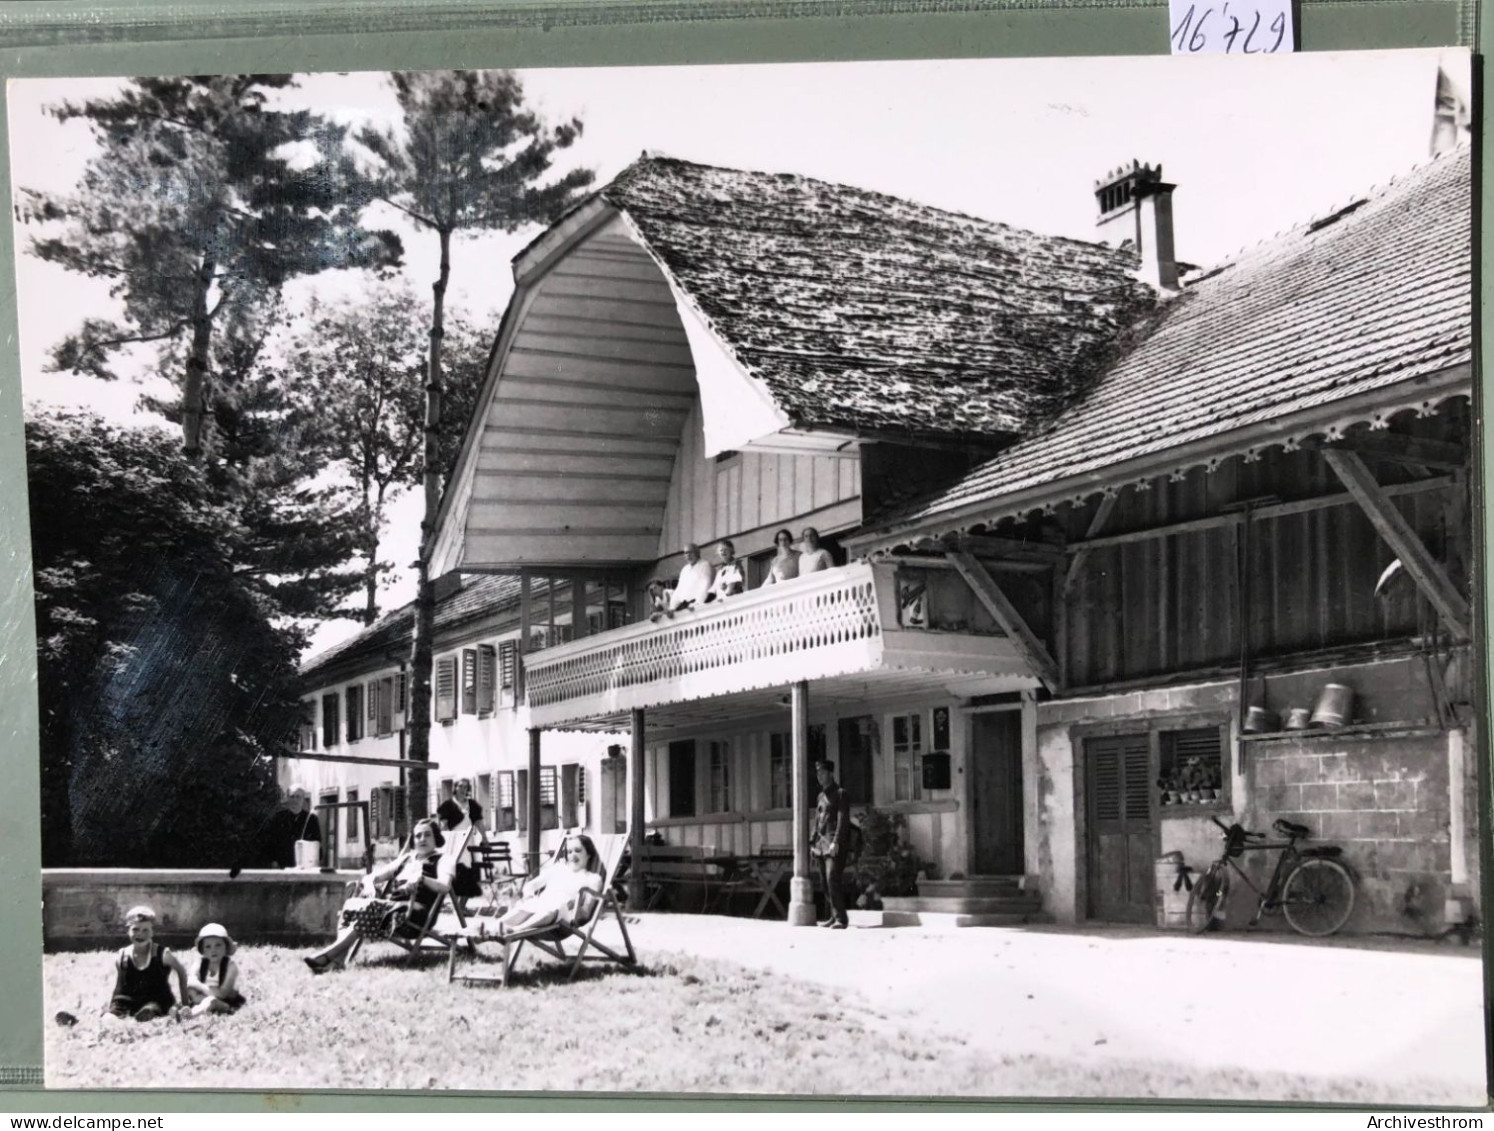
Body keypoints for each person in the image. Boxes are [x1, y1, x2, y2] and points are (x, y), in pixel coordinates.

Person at [303, 818, 456, 973]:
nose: (422, 839)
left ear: (436, 837)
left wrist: (423, 879)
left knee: (370, 906)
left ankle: (328, 955)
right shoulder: (407, 859)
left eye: (427, 835)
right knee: (351, 904)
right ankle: (338, 959)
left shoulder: (444, 859)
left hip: (415, 915)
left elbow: (445, 886)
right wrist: (370, 886)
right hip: (391, 910)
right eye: (418, 836)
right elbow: (373, 876)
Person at [493, 833, 603, 934]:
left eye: (578, 850)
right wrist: (530, 896)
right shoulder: (558, 868)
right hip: (542, 904)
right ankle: (491, 928)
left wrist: (575, 907)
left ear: (588, 854)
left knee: (556, 907)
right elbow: (530, 886)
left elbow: (586, 913)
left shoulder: (593, 879)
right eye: (569, 852)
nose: (573, 855)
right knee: (528, 906)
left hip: (563, 916)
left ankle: (516, 930)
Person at [105, 906, 190, 1022]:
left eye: (146, 930)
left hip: (155, 1000)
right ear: (128, 931)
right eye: (135, 929)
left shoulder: (162, 954)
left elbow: (181, 971)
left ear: (152, 932)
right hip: (128, 1001)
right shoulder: (122, 956)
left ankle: (147, 1014)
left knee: (152, 1009)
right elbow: (119, 988)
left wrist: (185, 1003)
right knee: (109, 1018)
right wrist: (113, 1008)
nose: (140, 934)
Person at [811, 760, 852, 929]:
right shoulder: (821, 796)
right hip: (821, 845)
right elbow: (817, 821)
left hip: (834, 845)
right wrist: (812, 842)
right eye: (818, 773)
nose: (819, 776)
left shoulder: (841, 794)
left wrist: (835, 842)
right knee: (824, 882)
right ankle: (833, 916)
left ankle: (841, 919)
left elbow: (843, 821)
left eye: (822, 773)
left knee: (832, 878)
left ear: (831, 774)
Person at [436, 779, 487, 906]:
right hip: (454, 842)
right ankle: (450, 904)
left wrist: (485, 838)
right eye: (460, 786)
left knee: (470, 874)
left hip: (469, 842)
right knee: (456, 872)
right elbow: (443, 826)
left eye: (465, 787)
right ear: (455, 788)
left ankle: (462, 905)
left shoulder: (472, 805)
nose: (463, 789)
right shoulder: (448, 805)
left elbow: (478, 823)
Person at [183, 923, 247, 1017]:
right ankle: (180, 1010)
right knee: (189, 993)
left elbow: (222, 994)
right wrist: (195, 993)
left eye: (218, 945)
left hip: (225, 1001)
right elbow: (190, 981)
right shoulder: (199, 963)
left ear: (226, 947)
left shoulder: (230, 967)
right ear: (202, 950)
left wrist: (199, 986)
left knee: (211, 1001)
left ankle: (191, 1015)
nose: (213, 950)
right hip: (201, 997)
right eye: (208, 947)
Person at [264, 789, 321, 869]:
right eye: (292, 797)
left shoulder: (311, 819)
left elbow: (317, 842)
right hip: (282, 865)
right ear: (288, 799)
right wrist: (273, 860)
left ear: (303, 799)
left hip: (305, 866)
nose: (295, 800)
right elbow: (270, 841)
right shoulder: (278, 818)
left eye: (298, 797)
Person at [670, 543, 714, 611]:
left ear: (697, 553)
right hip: (684, 606)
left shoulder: (704, 565)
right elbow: (679, 589)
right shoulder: (685, 569)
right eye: (686, 553)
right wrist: (672, 607)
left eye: (690, 552)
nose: (688, 555)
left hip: (697, 606)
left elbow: (705, 585)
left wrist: (698, 603)